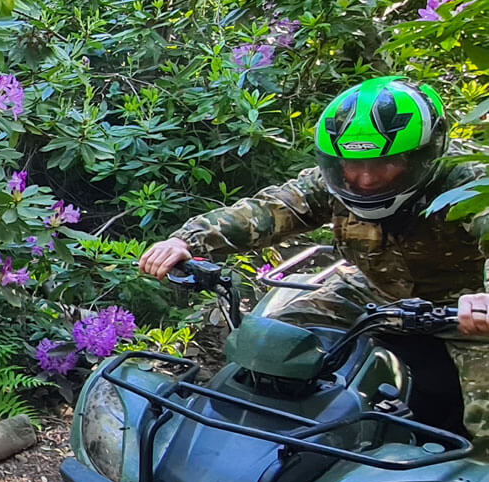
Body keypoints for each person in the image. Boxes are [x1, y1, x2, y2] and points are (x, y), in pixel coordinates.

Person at [138, 76, 489, 443]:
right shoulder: (333, 182)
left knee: (484, 424)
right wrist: (185, 240)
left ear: (423, 155)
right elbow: (269, 210)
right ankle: (249, 448)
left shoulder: (468, 180)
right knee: (271, 349)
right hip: (373, 292)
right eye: (353, 164)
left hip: (465, 311)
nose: (366, 178)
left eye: (388, 162)